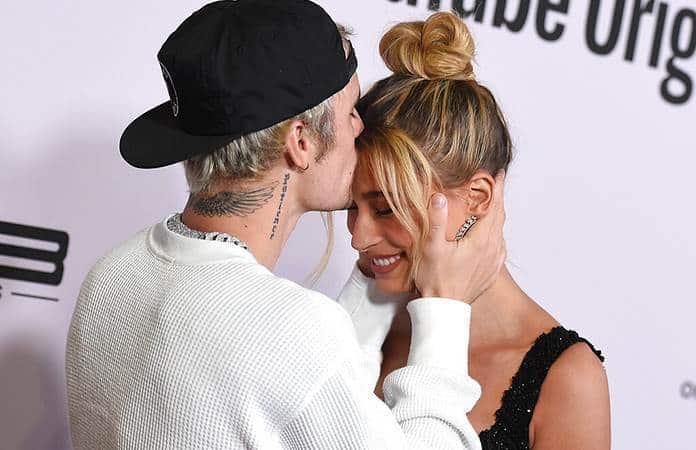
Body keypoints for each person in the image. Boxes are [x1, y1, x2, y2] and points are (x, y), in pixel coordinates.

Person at [65, 1, 507, 449]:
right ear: (301, 142)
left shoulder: (111, 276)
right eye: (351, 111)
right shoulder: (289, 332)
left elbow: (316, 404)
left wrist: (373, 274)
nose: (360, 127)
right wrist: (444, 306)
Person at [347, 12, 611, 450]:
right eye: (351, 208)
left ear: (478, 197)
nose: (358, 237)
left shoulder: (566, 379)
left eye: (386, 209)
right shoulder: (361, 338)